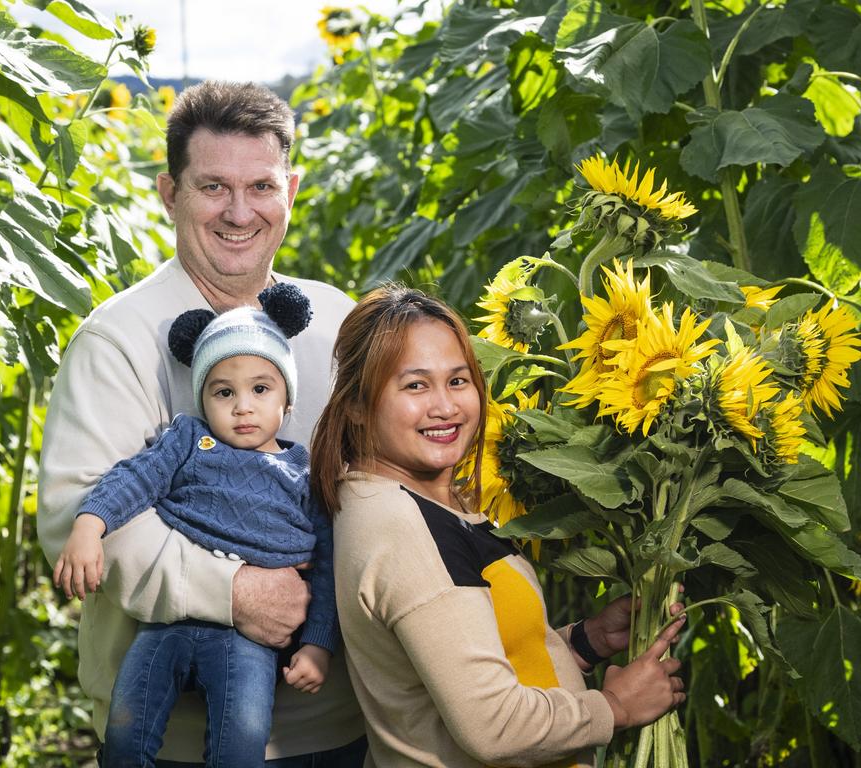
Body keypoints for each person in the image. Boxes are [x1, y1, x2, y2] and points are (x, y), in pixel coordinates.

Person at [37, 80, 365, 766]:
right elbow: (78, 515)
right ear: (169, 192)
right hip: (172, 739)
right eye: (213, 186)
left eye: (261, 186)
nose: (240, 212)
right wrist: (236, 593)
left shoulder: (338, 322)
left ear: (292, 189)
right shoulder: (119, 338)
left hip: (333, 722)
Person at [310, 285, 686, 767]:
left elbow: (467, 665)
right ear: (358, 404)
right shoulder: (404, 526)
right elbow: (492, 725)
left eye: (459, 380)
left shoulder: (431, 500)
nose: (445, 407)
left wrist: (583, 642)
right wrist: (614, 707)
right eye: (415, 385)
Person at [54, 284, 338, 766]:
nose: (242, 405)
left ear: (286, 402)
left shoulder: (303, 474)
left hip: (249, 640)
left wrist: (317, 645)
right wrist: (89, 524)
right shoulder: (187, 440)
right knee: (125, 729)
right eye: (223, 391)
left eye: (260, 389)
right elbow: (135, 479)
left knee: (241, 740)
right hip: (168, 621)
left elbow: (328, 566)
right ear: (202, 399)